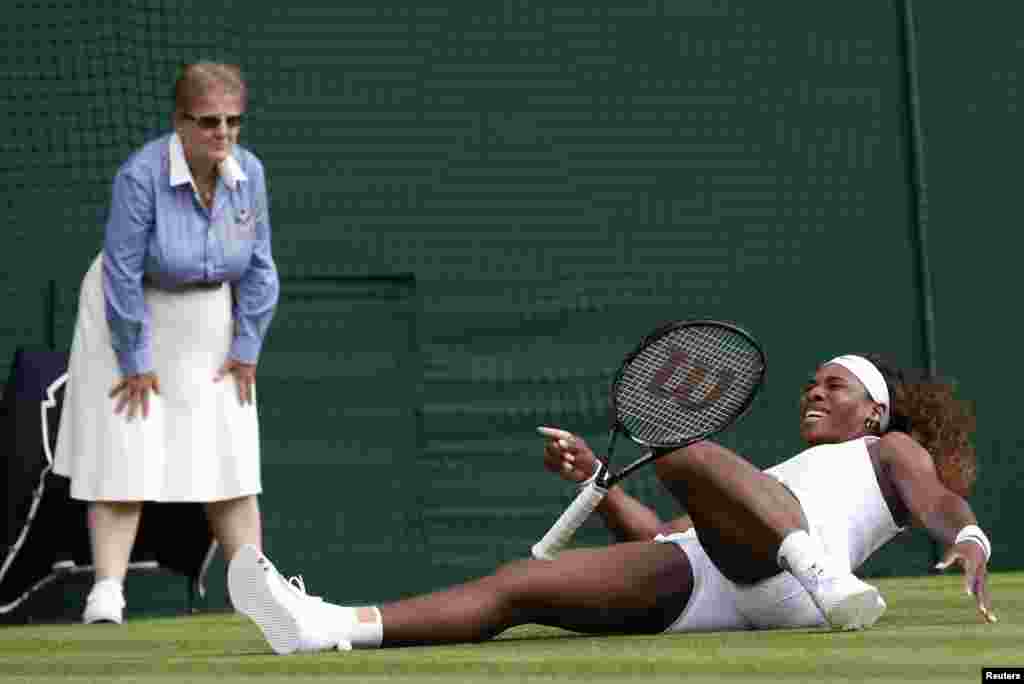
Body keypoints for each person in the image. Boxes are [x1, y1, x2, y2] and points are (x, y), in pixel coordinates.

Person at [227, 353, 995, 653]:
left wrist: (970, 539)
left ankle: (820, 575)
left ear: (873, 414)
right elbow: (665, 534)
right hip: (719, 575)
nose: (815, 392)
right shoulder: (766, 478)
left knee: (684, 444)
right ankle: (322, 624)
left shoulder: (885, 452)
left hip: (795, 578)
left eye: (836, 386)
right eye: (812, 381)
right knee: (518, 589)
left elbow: (935, 499)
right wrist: (599, 480)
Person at [53, 62, 279, 624]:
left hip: (209, 314)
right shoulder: (139, 176)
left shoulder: (249, 173)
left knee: (230, 455)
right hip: (126, 312)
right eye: (208, 122)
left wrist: (247, 345)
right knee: (125, 450)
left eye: (232, 122)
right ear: (179, 122)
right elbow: (122, 274)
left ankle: (258, 594)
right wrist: (134, 360)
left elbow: (259, 267)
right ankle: (106, 593)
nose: (222, 134)